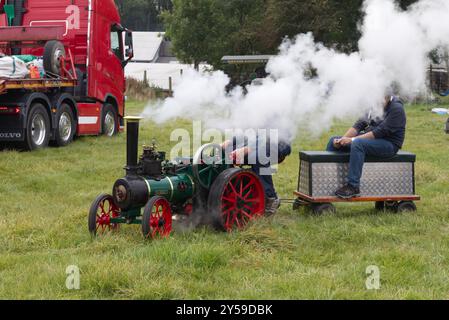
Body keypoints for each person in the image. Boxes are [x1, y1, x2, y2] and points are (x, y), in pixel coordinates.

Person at [326, 95, 407, 199]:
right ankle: (329, 180)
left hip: (389, 144)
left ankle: (353, 187)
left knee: (358, 143)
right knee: (333, 140)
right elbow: (359, 125)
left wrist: (351, 140)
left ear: (387, 96)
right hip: (372, 140)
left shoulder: (397, 109)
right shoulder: (373, 103)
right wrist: (342, 140)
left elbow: (379, 132)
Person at [223, 135, 292, 216]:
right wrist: (229, 142)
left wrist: (246, 149)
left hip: (277, 145)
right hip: (254, 143)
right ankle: (228, 188)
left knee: (257, 157)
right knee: (225, 151)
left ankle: (271, 198)